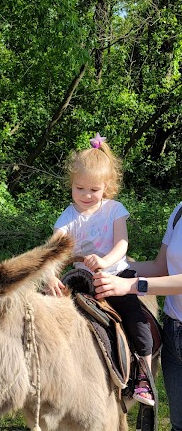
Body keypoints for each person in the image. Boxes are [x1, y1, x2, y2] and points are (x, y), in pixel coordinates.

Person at [93, 202, 182, 431]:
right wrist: (107, 267)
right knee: (180, 424)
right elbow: (163, 266)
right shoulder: (178, 210)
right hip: (176, 328)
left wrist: (131, 283)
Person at [46, 132, 154, 405]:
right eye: (79, 188)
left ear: (106, 187)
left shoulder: (114, 210)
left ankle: (143, 376)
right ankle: (48, 379)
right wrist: (49, 275)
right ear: (71, 184)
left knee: (135, 318)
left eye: (93, 190)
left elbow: (122, 243)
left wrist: (105, 262)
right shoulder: (67, 218)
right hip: (81, 280)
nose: (85, 195)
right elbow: (52, 253)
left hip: (116, 275)